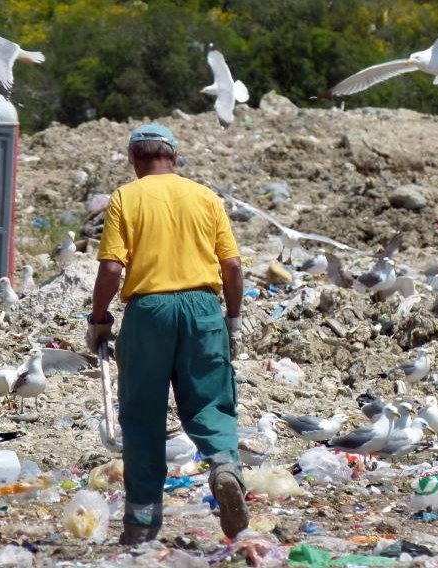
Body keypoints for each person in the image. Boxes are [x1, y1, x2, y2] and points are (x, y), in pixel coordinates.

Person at [86, 123, 247, 544]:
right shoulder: (206, 197)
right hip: (203, 309)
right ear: (175, 158)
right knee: (210, 401)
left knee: (142, 417)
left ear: (134, 161)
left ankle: (141, 524)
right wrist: (232, 319)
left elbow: (111, 269)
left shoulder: (126, 197)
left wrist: (98, 318)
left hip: (149, 311)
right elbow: (231, 266)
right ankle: (225, 466)